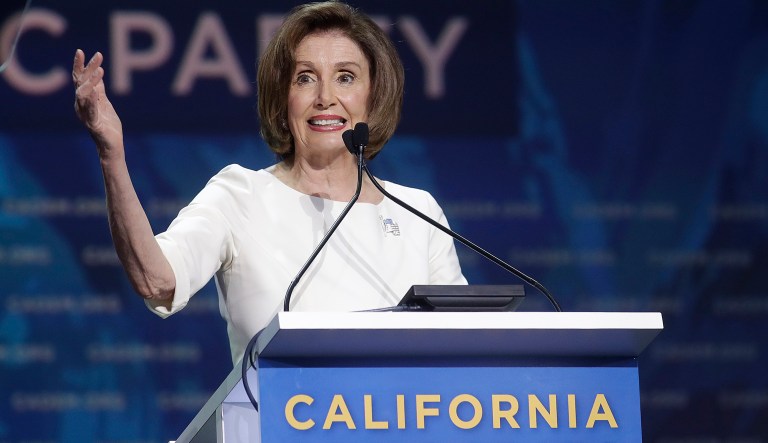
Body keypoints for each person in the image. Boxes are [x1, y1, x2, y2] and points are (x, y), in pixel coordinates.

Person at [72, 1, 467, 364]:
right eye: (305, 78)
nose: (325, 97)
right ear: (283, 99)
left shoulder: (420, 213)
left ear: (374, 96)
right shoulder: (240, 196)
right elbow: (155, 280)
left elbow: (465, 347)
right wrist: (112, 154)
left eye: (346, 77)